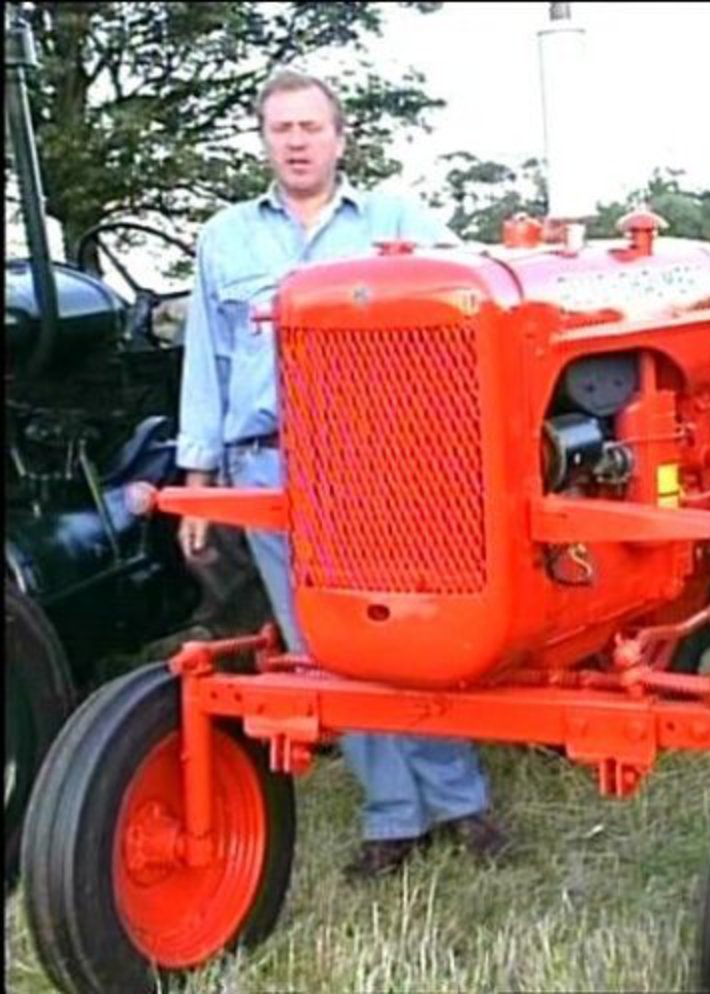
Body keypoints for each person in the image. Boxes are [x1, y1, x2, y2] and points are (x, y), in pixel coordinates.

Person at [175, 69, 507, 881]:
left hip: (381, 460)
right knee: (329, 650)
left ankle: (461, 803)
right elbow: (207, 365)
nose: (295, 142)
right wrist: (200, 476)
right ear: (264, 140)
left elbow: (482, 305)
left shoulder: (399, 220)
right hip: (272, 465)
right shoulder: (227, 239)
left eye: (310, 128)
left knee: (410, 635)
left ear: (339, 137)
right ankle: (394, 818)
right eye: (281, 129)